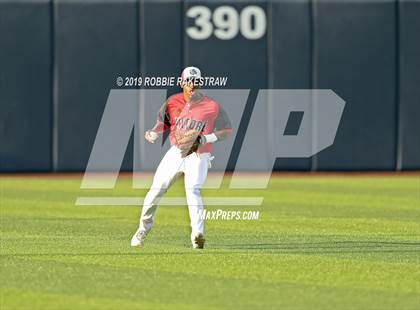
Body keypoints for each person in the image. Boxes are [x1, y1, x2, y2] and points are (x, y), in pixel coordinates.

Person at [131, 66, 232, 249]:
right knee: (155, 191)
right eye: (189, 81)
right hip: (176, 152)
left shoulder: (212, 106)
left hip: (199, 155)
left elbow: (227, 131)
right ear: (182, 83)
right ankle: (143, 229)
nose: (192, 85)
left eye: (196, 81)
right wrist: (154, 132)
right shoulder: (172, 102)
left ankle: (197, 235)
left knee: (193, 191)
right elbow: (163, 123)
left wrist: (205, 138)